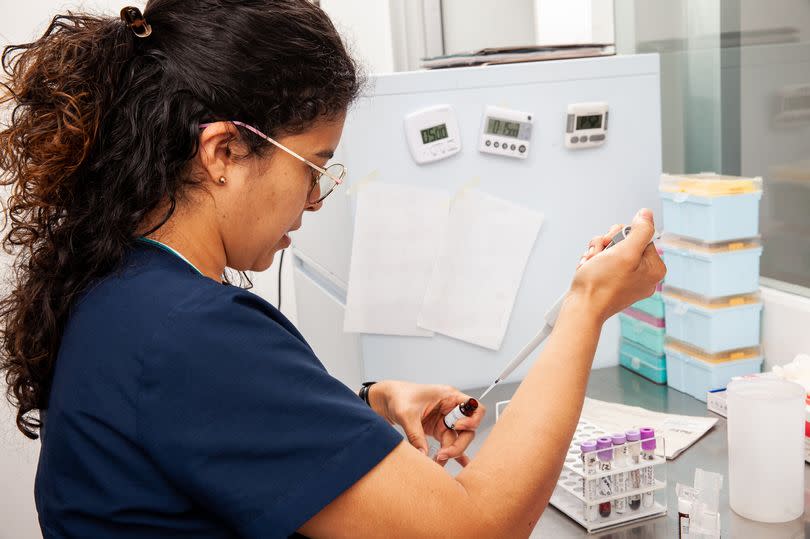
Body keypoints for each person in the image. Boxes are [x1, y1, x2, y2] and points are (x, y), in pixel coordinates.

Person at [0, 1, 666, 537]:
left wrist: (364, 409)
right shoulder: (190, 334)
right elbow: (478, 527)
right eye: (314, 167)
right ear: (224, 150)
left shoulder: (123, 285)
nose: (317, 199)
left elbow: (206, 439)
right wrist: (586, 307)